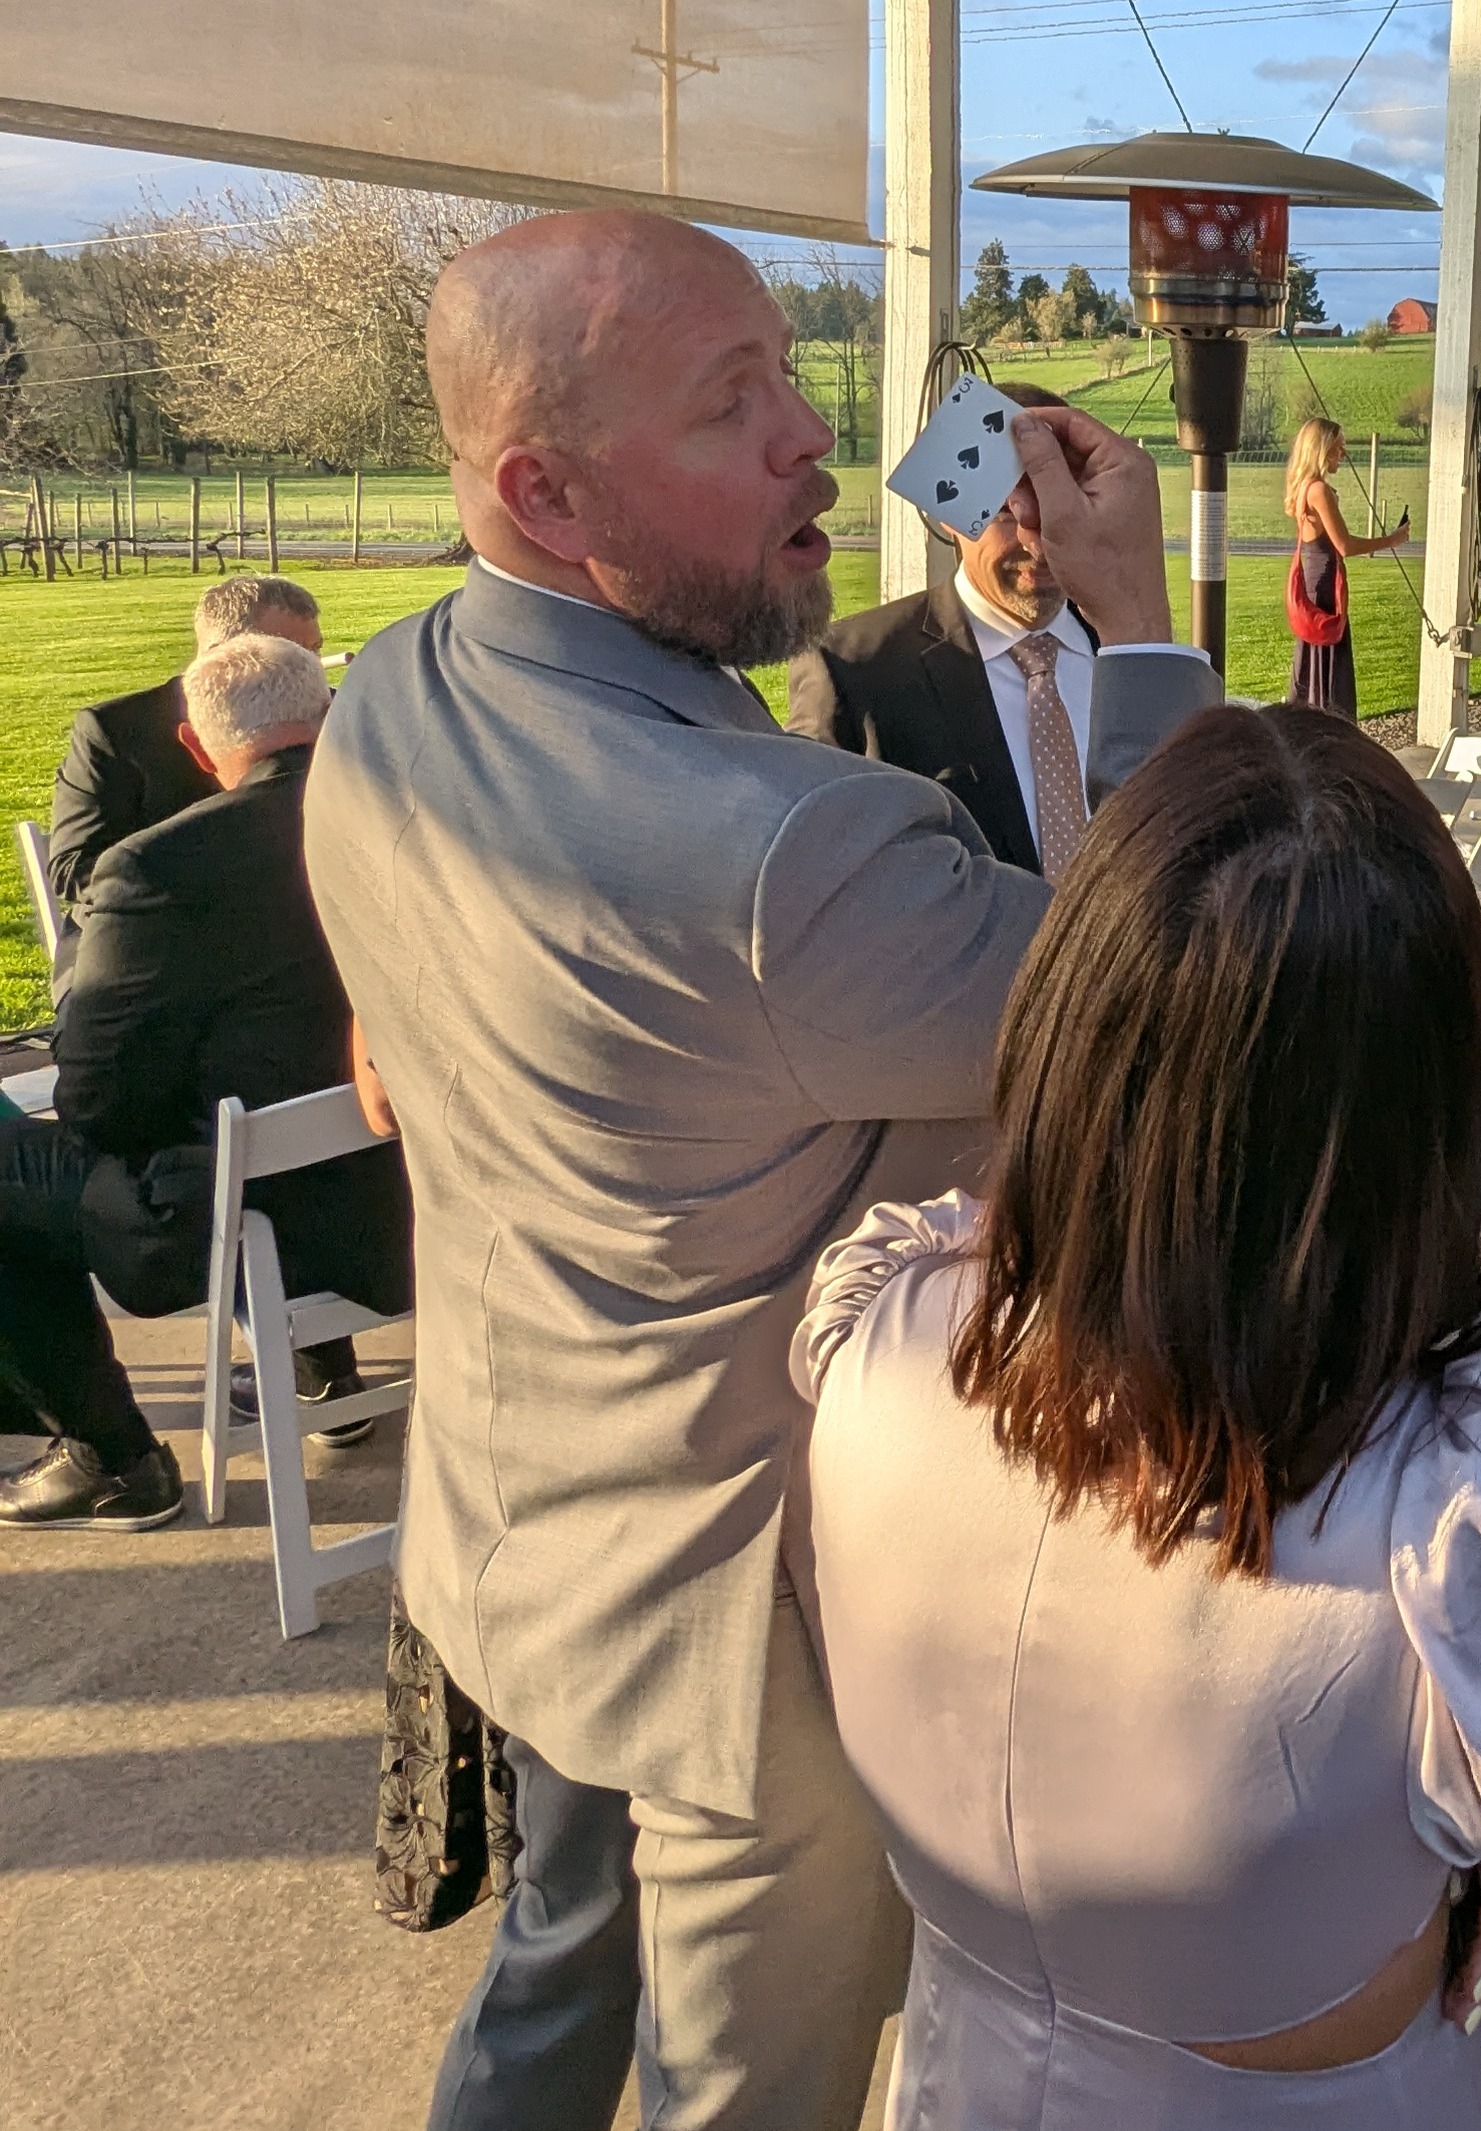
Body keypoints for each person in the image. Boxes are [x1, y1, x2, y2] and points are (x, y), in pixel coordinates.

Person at [302, 210, 1218, 2131]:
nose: (814, 439)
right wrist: (1138, 621)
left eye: (789, 374)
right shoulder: (790, 854)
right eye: (734, 404)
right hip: (743, 1626)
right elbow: (1181, 1004)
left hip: (509, 1525)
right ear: (547, 492)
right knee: (745, 2087)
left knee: (548, 1982)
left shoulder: (388, 696)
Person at [793, 701, 1481, 2128]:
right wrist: (1468, 1837)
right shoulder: (1450, 1486)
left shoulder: (882, 1331)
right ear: (1438, 1089)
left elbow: (986, 1238)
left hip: (962, 2069)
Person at [0, 632, 410, 1530]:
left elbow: (92, 1095)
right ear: (327, 710)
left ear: (194, 744)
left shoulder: (156, 869)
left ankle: (113, 1459)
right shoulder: (423, 811)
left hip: (263, 1228)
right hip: (424, 1203)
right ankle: (318, 1371)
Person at [787, 381, 1097, 877]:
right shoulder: (854, 670)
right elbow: (814, 876)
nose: (1038, 544)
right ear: (953, 515)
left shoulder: (1133, 656)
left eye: (1060, 507)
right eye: (1006, 512)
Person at [47, 573, 323, 911]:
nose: (311, 670)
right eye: (287, 654)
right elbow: (73, 866)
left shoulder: (329, 711)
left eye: (314, 652)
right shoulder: (116, 729)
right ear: (221, 655)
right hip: (155, 923)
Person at [1281, 415, 1410, 716]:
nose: (1343, 454)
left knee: (1313, 665)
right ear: (1321, 449)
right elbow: (1344, 546)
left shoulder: (1305, 487)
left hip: (1315, 585)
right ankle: (1328, 724)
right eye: (1338, 447)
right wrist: (1391, 540)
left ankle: (1311, 722)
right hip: (1324, 590)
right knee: (1328, 674)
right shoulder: (1318, 490)